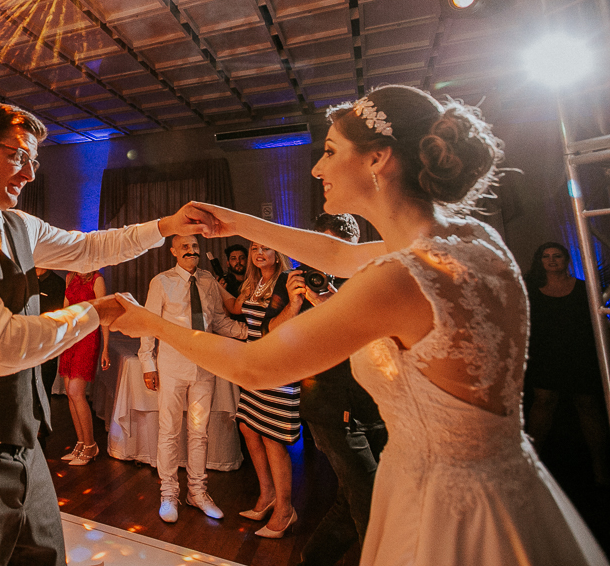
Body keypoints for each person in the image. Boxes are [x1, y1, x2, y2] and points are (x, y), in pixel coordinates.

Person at [109, 85, 608, 566]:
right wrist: (237, 223)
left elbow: (255, 366)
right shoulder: (472, 237)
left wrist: (145, 321)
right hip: (510, 483)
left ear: (377, 159)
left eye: (329, 151)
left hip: (443, 505)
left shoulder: (400, 279)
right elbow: (338, 253)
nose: (316, 167)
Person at [0, 100, 213, 566]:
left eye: (34, 161)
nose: (30, 173)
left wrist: (165, 227)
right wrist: (95, 312)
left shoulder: (18, 224)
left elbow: (89, 248)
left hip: (25, 449)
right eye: (19, 156)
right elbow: (2, 346)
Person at [297, 213, 387, 566]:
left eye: (334, 246)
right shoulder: (303, 283)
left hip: (375, 405)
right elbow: (282, 340)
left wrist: (336, 303)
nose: (326, 255)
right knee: (370, 505)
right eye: (321, 246)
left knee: (353, 499)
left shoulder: (371, 280)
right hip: (330, 409)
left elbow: (381, 340)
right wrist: (300, 303)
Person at [139, 234, 246, 522]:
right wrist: (147, 362)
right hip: (172, 365)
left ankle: (197, 492)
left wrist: (250, 333)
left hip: (204, 366)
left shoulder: (208, 281)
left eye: (195, 246)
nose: (191, 250)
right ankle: (169, 493)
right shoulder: (161, 282)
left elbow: (218, 321)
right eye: (185, 247)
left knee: (200, 432)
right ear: (173, 251)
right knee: (169, 430)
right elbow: (148, 324)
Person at [224, 240, 302, 538]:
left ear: (277, 253)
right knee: (248, 428)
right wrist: (209, 282)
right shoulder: (255, 283)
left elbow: (282, 325)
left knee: (272, 437)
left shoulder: (285, 281)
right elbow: (233, 307)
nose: (259, 253)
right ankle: (267, 494)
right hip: (254, 364)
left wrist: (294, 304)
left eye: (266, 249)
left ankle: (285, 509)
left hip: (278, 366)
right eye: (255, 248)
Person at [524, 241, 608, 487]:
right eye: (546, 256)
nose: (551, 260)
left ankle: (601, 468)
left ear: (566, 260)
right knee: (543, 403)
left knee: (588, 405)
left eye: (557, 256)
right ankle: (532, 466)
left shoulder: (584, 288)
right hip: (546, 355)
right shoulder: (531, 289)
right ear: (540, 261)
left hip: (580, 354)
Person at [57, 269, 109, 466]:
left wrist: (105, 348)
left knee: (75, 391)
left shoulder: (97, 280)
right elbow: (65, 308)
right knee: (70, 394)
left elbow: (104, 314)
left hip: (88, 336)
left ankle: (91, 445)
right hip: (72, 336)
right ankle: (80, 443)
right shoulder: (71, 277)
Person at [34, 266, 67, 399]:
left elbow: (60, 315)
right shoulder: (25, 280)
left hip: (48, 340)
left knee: (45, 382)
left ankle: (44, 418)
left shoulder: (57, 283)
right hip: (27, 337)